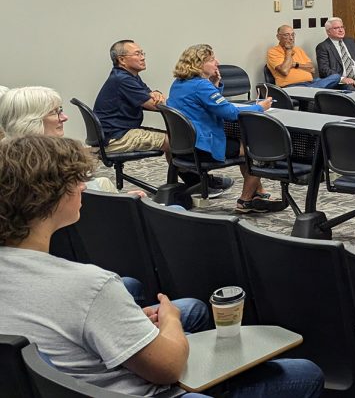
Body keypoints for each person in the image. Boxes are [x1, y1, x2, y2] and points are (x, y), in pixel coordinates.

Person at [0, 135, 324, 397]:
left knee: (193, 308)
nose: (83, 186)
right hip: (135, 389)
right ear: (50, 198)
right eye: (75, 181)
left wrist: (123, 321)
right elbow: (168, 368)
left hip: (63, 378)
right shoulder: (90, 286)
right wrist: (169, 320)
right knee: (303, 374)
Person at [167, 44, 287, 213]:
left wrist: (215, 83)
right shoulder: (201, 85)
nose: (217, 62)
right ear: (198, 64)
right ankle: (245, 201)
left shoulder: (179, 83)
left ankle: (259, 193)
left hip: (185, 146)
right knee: (256, 149)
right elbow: (229, 113)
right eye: (211, 59)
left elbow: (207, 103)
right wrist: (260, 107)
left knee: (244, 144)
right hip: (204, 146)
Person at [0, 85, 126, 194]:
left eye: (61, 110)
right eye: (54, 112)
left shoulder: (7, 155)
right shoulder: (54, 163)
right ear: (30, 121)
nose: (64, 117)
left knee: (104, 183)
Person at [93, 40, 169, 154]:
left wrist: (156, 92)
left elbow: (149, 95)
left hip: (117, 132)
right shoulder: (123, 79)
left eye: (142, 53)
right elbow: (154, 105)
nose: (142, 57)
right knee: (176, 141)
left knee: (174, 138)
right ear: (122, 60)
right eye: (137, 54)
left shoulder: (129, 76)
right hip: (116, 137)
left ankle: (179, 172)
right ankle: (185, 172)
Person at [266, 25, 345, 89]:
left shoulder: (299, 50)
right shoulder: (273, 52)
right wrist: (289, 51)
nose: (291, 38)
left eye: (293, 35)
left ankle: (312, 90)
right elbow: (284, 71)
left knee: (336, 77)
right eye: (287, 35)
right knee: (320, 88)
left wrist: (295, 64)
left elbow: (312, 69)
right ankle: (313, 90)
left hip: (311, 82)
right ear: (278, 37)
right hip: (291, 86)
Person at [316, 17, 355, 85]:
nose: (341, 30)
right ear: (328, 32)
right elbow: (324, 70)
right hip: (341, 83)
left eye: (342, 27)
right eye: (336, 28)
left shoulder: (351, 41)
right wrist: (342, 79)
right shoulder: (323, 47)